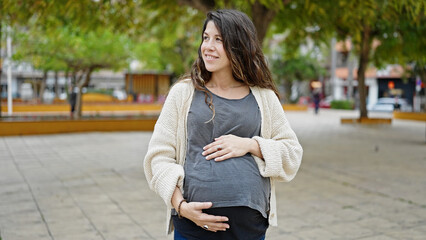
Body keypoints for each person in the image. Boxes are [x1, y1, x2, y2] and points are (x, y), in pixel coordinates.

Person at [144, 9, 303, 240]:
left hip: (249, 227)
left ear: (239, 45)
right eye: (206, 38)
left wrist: (250, 145)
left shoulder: (263, 97)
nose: (208, 46)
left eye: (219, 40)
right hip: (192, 226)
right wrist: (181, 207)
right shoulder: (183, 93)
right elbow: (157, 158)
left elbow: (292, 153)